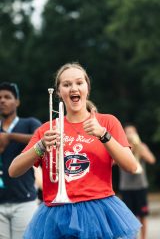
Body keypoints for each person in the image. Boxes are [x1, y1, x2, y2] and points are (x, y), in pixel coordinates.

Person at [9, 63, 141, 239]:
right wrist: (40, 146)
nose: (74, 88)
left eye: (79, 83)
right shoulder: (47, 129)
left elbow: (131, 166)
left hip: (98, 210)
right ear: (58, 92)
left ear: (87, 88)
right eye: (66, 84)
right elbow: (14, 170)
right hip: (57, 214)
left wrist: (103, 135)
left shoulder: (107, 122)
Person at [0, 82, 42, 239]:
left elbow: (42, 137)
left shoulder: (29, 123)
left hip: (24, 200)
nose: (2, 101)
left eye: (7, 97)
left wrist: (10, 137)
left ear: (17, 102)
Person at [119, 123, 156, 239]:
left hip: (141, 186)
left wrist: (138, 147)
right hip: (126, 187)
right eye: (127, 132)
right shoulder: (120, 146)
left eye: (132, 132)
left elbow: (152, 160)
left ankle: (143, 238)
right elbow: (114, 162)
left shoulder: (142, 146)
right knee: (129, 215)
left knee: (143, 215)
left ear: (136, 134)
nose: (129, 134)